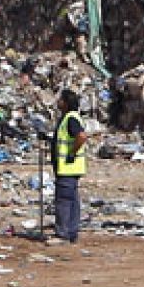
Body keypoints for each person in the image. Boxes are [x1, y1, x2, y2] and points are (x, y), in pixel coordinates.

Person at [47, 89, 87, 245]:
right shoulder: (69, 118)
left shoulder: (71, 119)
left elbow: (81, 136)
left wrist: (71, 153)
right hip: (71, 168)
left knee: (63, 201)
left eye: (60, 100)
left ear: (65, 102)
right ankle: (71, 232)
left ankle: (62, 234)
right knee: (72, 201)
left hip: (68, 168)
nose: (58, 102)